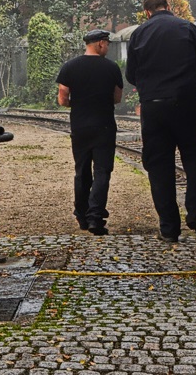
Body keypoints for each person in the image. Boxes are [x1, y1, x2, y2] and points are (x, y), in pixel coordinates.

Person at [125, 0, 196, 242]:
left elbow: (131, 75)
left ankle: (169, 228)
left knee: (158, 166)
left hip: (153, 109)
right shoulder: (186, 27)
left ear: (147, 12)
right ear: (169, 6)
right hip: (185, 104)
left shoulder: (138, 34)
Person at [56, 29, 123, 235]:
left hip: (80, 126)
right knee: (102, 172)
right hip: (104, 126)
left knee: (81, 171)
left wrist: (79, 103)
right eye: (107, 44)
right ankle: (95, 217)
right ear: (101, 44)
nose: (108, 47)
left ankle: (81, 215)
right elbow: (117, 98)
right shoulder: (112, 68)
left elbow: (62, 99)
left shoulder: (69, 67)